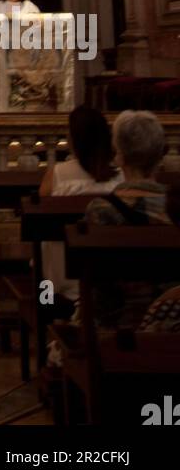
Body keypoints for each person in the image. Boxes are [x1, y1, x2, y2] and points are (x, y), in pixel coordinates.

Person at [83, 110, 176, 329]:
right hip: (174, 321)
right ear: (160, 154)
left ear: (119, 156)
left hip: (120, 329)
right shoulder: (175, 205)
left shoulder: (101, 211)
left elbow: (97, 285)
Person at [39, 106, 122, 309]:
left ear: (74, 139)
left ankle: (46, 304)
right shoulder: (120, 178)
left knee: (42, 255)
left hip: (60, 273)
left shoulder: (57, 174)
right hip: (105, 272)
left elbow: (38, 218)